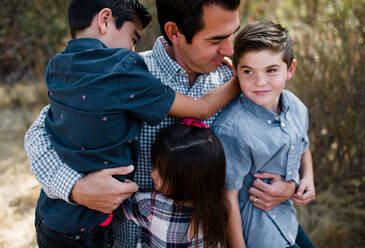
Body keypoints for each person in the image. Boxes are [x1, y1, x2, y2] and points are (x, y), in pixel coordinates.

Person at [24, 1, 312, 247]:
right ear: (175, 32)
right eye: (216, 39)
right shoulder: (124, 74)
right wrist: (74, 187)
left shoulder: (236, 79)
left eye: (232, 35)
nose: (229, 49)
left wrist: (291, 184)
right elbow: (38, 135)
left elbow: (276, 135)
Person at [212, 21, 316, 248]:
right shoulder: (232, 129)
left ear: (290, 69)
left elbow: (302, 146)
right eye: (248, 71)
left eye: (271, 70)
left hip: (287, 220)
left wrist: (308, 179)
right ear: (236, 71)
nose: (260, 82)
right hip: (259, 235)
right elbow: (227, 198)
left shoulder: (296, 107)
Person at [121, 119, 228, 247]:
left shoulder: (149, 205)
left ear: (186, 182)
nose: (152, 174)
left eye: (162, 174)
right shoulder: (217, 211)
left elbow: (118, 204)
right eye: (155, 165)